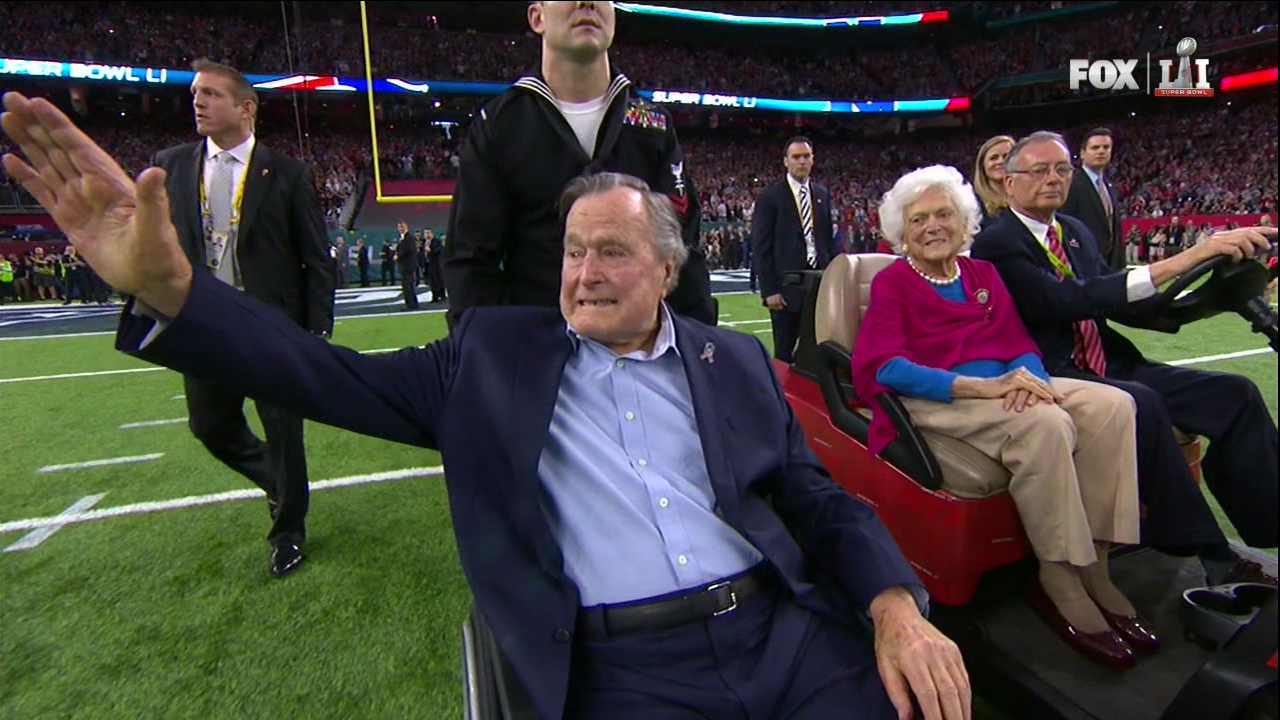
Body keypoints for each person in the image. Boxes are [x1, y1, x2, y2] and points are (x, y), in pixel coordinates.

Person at [2, 92, 971, 720]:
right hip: (627, 673)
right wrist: (174, 291)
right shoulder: (491, 359)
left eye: (613, 253)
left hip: (786, 636)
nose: (584, 273)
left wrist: (894, 609)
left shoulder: (732, 362)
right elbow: (314, 372)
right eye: (571, 252)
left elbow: (818, 502)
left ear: (669, 268)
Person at [854, 165, 1150, 669]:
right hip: (944, 396)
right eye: (919, 218)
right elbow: (884, 365)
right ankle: (1058, 572)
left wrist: (1031, 382)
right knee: (1048, 425)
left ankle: (1096, 562)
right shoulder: (893, 283)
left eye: (943, 213)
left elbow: (1017, 342)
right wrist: (983, 387)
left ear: (963, 220)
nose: (933, 226)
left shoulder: (982, 274)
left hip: (1006, 389)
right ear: (902, 233)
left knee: (1114, 405)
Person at [972, 131, 1278, 586]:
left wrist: (1203, 296)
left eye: (1061, 169)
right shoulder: (997, 243)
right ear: (1009, 182)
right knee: (1142, 402)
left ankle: (1267, 523)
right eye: (1038, 170)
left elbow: (1122, 303)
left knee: (1235, 393)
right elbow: (1064, 300)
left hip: (1110, 363)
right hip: (1053, 371)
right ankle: (1210, 553)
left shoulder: (1073, 233)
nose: (1052, 179)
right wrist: (1184, 257)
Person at [146, 60, 335, 578]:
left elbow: (316, 258)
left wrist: (318, 331)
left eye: (210, 94)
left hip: (271, 325)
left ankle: (288, 531)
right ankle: (278, 484)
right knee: (210, 426)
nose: (197, 102)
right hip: (203, 323)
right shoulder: (172, 165)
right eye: (194, 94)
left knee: (283, 431)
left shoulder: (289, 174)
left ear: (246, 108)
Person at [443, 0, 716, 329]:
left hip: (640, 354)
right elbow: (472, 262)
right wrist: (493, 357)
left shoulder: (652, 123)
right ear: (537, 16)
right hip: (542, 354)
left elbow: (681, 250)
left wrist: (700, 348)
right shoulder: (500, 126)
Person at [751, 136, 837, 362]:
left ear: (813, 160)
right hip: (786, 288)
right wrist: (769, 290)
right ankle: (782, 397)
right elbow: (761, 246)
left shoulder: (821, 195)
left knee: (816, 352)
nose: (802, 161)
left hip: (818, 286)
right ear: (786, 161)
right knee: (784, 352)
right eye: (796, 157)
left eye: (806, 156)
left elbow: (827, 241)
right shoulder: (770, 197)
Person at [1060, 128, 1125, 270]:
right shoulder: (1071, 184)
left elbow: (1113, 229)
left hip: (1109, 266)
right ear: (1083, 153)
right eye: (1095, 148)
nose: (1101, 151)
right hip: (1083, 263)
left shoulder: (1110, 186)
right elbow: (1064, 225)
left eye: (1106, 147)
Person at [972, 135, 1014, 228]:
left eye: (1006, 156)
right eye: (993, 158)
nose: (1000, 161)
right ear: (982, 166)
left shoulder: (1029, 199)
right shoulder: (973, 203)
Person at [394, 221, 419, 311]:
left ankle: (410, 305)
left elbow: (409, 250)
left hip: (408, 265)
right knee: (407, 285)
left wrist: (398, 255)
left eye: (402, 227)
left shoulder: (409, 238)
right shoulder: (402, 239)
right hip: (405, 265)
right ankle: (411, 303)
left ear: (406, 227)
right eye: (399, 227)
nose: (401, 229)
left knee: (408, 285)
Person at [423, 227, 445, 303]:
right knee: (431, 282)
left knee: (438, 281)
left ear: (432, 233)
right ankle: (434, 297)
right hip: (428, 265)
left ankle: (442, 297)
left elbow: (439, 251)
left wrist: (430, 250)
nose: (427, 235)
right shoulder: (424, 242)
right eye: (425, 233)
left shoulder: (437, 241)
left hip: (436, 265)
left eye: (428, 233)